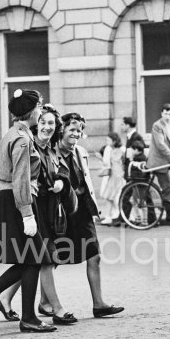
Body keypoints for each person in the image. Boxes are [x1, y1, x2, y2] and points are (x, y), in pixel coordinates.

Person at [0, 104, 78, 326]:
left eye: (50, 122)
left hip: (27, 206)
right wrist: (26, 214)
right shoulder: (23, 140)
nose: (44, 122)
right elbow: (16, 177)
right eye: (41, 116)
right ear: (32, 115)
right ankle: (27, 314)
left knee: (31, 259)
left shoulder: (21, 138)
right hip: (22, 205)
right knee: (35, 258)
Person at [41, 112, 124, 318]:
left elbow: (85, 184)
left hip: (82, 212)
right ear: (62, 131)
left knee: (93, 256)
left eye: (79, 131)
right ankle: (41, 301)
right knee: (50, 259)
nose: (76, 134)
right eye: (72, 130)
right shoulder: (51, 153)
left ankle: (99, 304)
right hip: (60, 214)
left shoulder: (80, 152)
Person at [119, 116, 144, 223]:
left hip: (136, 173)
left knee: (142, 196)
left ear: (128, 125)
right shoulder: (130, 136)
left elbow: (140, 153)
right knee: (127, 195)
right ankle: (123, 218)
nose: (121, 126)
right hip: (131, 172)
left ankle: (123, 218)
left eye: (123, 124)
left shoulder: (136, 137)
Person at [99, 132, 125, 226]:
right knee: (113, 196)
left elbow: (107, 163)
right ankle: (114, 215)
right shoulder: (122, 149)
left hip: (115, 175)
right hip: (118, 175)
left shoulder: (111, 150)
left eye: (108, 140)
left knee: (111, 197)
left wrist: (101, 159)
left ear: (114, 141)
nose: (107, 142)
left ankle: (110, 216)